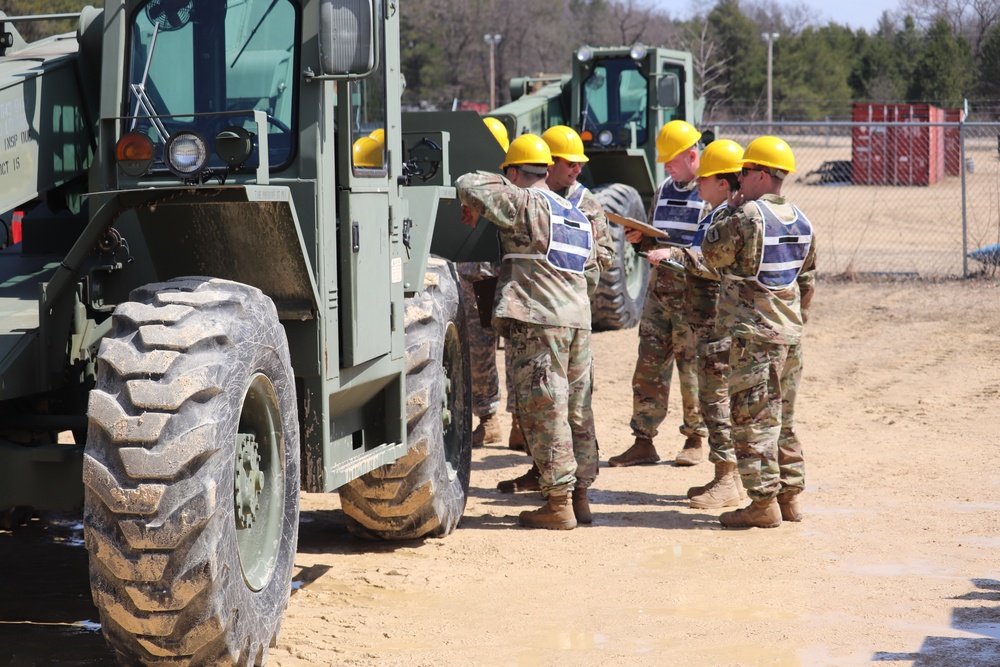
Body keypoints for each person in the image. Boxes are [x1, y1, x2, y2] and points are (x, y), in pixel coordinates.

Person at [456, 134, 598, 530]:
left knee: (544, 408)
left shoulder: (525, 201)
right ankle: (581, 497)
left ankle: (558, 503)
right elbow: (593, 273)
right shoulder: (575, 214)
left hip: (539, 321)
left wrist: (481, 197)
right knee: (576, 410)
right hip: (578, 322)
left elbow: (469, 183)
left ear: (515, 172)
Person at [495, 126, 615, 509]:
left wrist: (562, 290)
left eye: (579, 164)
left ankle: (561, 496)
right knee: (557, 405)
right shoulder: (557, 206)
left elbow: (598, 262)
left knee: (550, 404)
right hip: (570, 314)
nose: (575, 171)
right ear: (549, 164)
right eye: (568, 163)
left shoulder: (577, 205)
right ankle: (563, 484)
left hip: (550, 314)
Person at [701, 135, 816, 528]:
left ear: (762, 175)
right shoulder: (802, 219)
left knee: (752, 420)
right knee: (783, 418)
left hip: (755, 337)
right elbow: (808, 282)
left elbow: (712, 253)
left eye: (744, 173)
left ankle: (762, 503)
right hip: (790, 335)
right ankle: (790, 498)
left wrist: (727, 211)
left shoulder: (748, 216)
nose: (739, 181)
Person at [608, 119, 707, 468]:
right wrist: (643, 239)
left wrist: (673, 254)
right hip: (659, 294)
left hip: (693, 298)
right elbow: (658, 236)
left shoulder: (711, 191)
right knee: (648, 367)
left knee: (691, 369)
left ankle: (695, 439)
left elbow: (710, 251)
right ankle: (643, 441)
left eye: (672, 160)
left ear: (693, 156)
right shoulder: (666, 187)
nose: (666, 166)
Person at [681, 139, 747, 509]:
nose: (697, 184)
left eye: (704, 178)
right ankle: (728, 477)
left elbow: (714, 265)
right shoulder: (716, 214)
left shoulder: (728, 217)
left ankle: (728, 479)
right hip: (708, 321)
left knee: (718, 399)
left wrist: (675, 255)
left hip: (720, 323)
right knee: (714, 398)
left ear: (723, 182)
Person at [457, 117, 511, 448]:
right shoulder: (474, 181)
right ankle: (491, 421)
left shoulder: (510, 186)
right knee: (480, 349)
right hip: (475, 275)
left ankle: (512, 421)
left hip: (498, 275)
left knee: (511, 350)